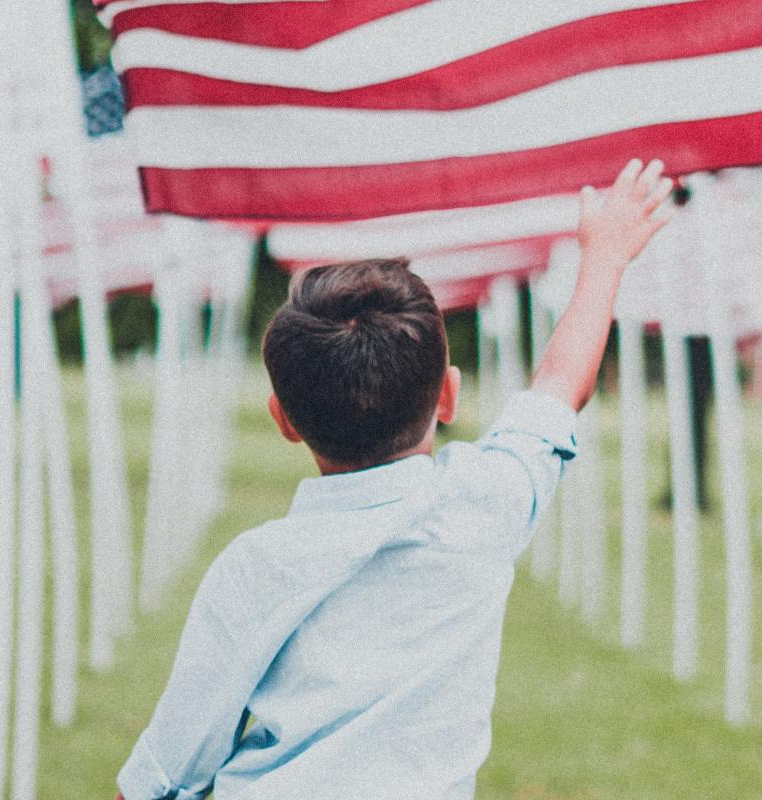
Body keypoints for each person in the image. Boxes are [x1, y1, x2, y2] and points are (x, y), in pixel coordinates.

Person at [115, 159, 675, 800]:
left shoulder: (253, 568)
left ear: (284, 420)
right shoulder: (482, 509)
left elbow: (164, 774)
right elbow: (559, 388)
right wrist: (603, 258)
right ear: (448, 396)